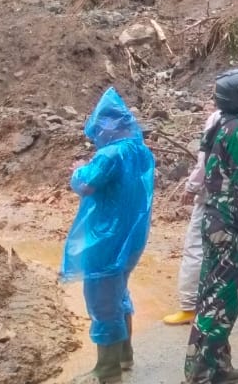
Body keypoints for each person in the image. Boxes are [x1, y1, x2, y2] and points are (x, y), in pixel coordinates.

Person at [183, 68, 238, 384]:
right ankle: (200, 374)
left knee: (212, 296)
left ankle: (218, 365)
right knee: (222, 301)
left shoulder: (220, 127)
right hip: (233, 230)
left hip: (217, 223)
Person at [61, 87, 155, 384]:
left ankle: (108, 369)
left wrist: (78, 170)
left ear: (107, 126)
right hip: (131, 237)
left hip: (106, 238)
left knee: (102, 298)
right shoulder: (141, 150)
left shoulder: (109, 155)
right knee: (118, 292)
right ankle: (125, 355)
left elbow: (86, 185)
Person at [164, 108, 224, 326]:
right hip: (233, 199)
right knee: (223, 251)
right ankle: (216, 304)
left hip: (210, 196)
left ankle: (189, 306)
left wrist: (191, 187)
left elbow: (205, 159)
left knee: (195, 249)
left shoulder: (218, 118)